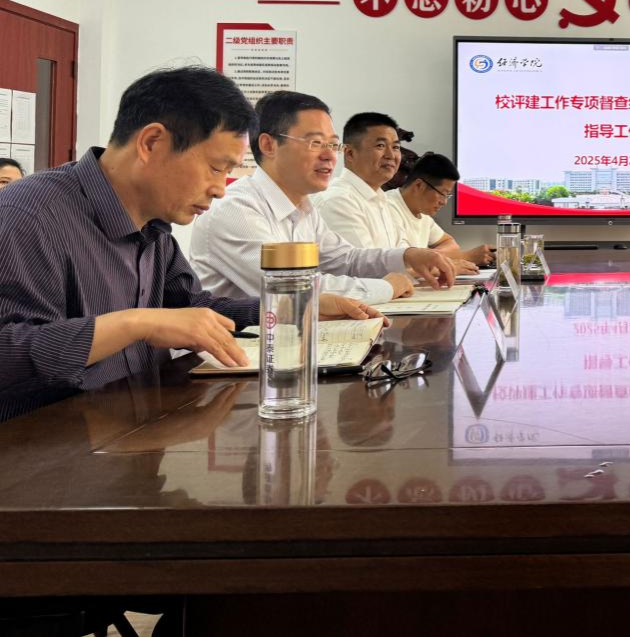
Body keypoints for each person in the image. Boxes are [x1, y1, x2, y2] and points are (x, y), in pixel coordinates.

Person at [0, 67, 378, 423]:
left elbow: (192, 307)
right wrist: (136, 323)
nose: (220, 189)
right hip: (46, 450)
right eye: (216, 168)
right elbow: (8, 353)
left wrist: (292, 309)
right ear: (152, 143)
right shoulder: (30, 216)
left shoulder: (153, 224)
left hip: (138, 429)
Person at [190, 90, 455, 304]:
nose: (329, 155)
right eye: (316, 143)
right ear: (269, 145)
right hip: (236, 351)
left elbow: (345, 260)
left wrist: (407, 256)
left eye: (332, 144)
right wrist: (386, 287)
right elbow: (291, 287)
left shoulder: (303, 208)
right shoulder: (235, 209)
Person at [315, 111, 407, 249]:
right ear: (350, 153)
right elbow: (364, 261)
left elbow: (404, 251)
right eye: (380, 145)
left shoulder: (384, 200)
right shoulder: (338, 201)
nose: (391, 155)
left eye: (396, 147)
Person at [387, 152, 493, 267]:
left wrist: (432, 258)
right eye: (442, 194)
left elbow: (451, 244)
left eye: (448, 195)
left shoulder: (422, 213)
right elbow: (402, 267)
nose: (444, 202)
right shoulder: (387, 209)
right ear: (419, 185)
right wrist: (465, 257)